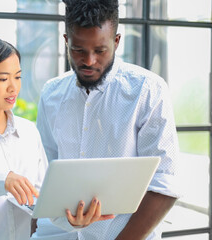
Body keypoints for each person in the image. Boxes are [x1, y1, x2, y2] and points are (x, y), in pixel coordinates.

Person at [0, 37, 108, 240]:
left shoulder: (29, 132)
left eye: (17, 77)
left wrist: (71, 220)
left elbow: (43, 203)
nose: (13, 88)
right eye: (3, 79)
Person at [32, 0, 180, 239]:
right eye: (78, 50)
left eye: (100, 50)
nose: (89, 61)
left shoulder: (147, 90)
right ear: (66, 41)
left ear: (117, 41)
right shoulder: (51, 93)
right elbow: (43, 174)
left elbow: (165, 184)